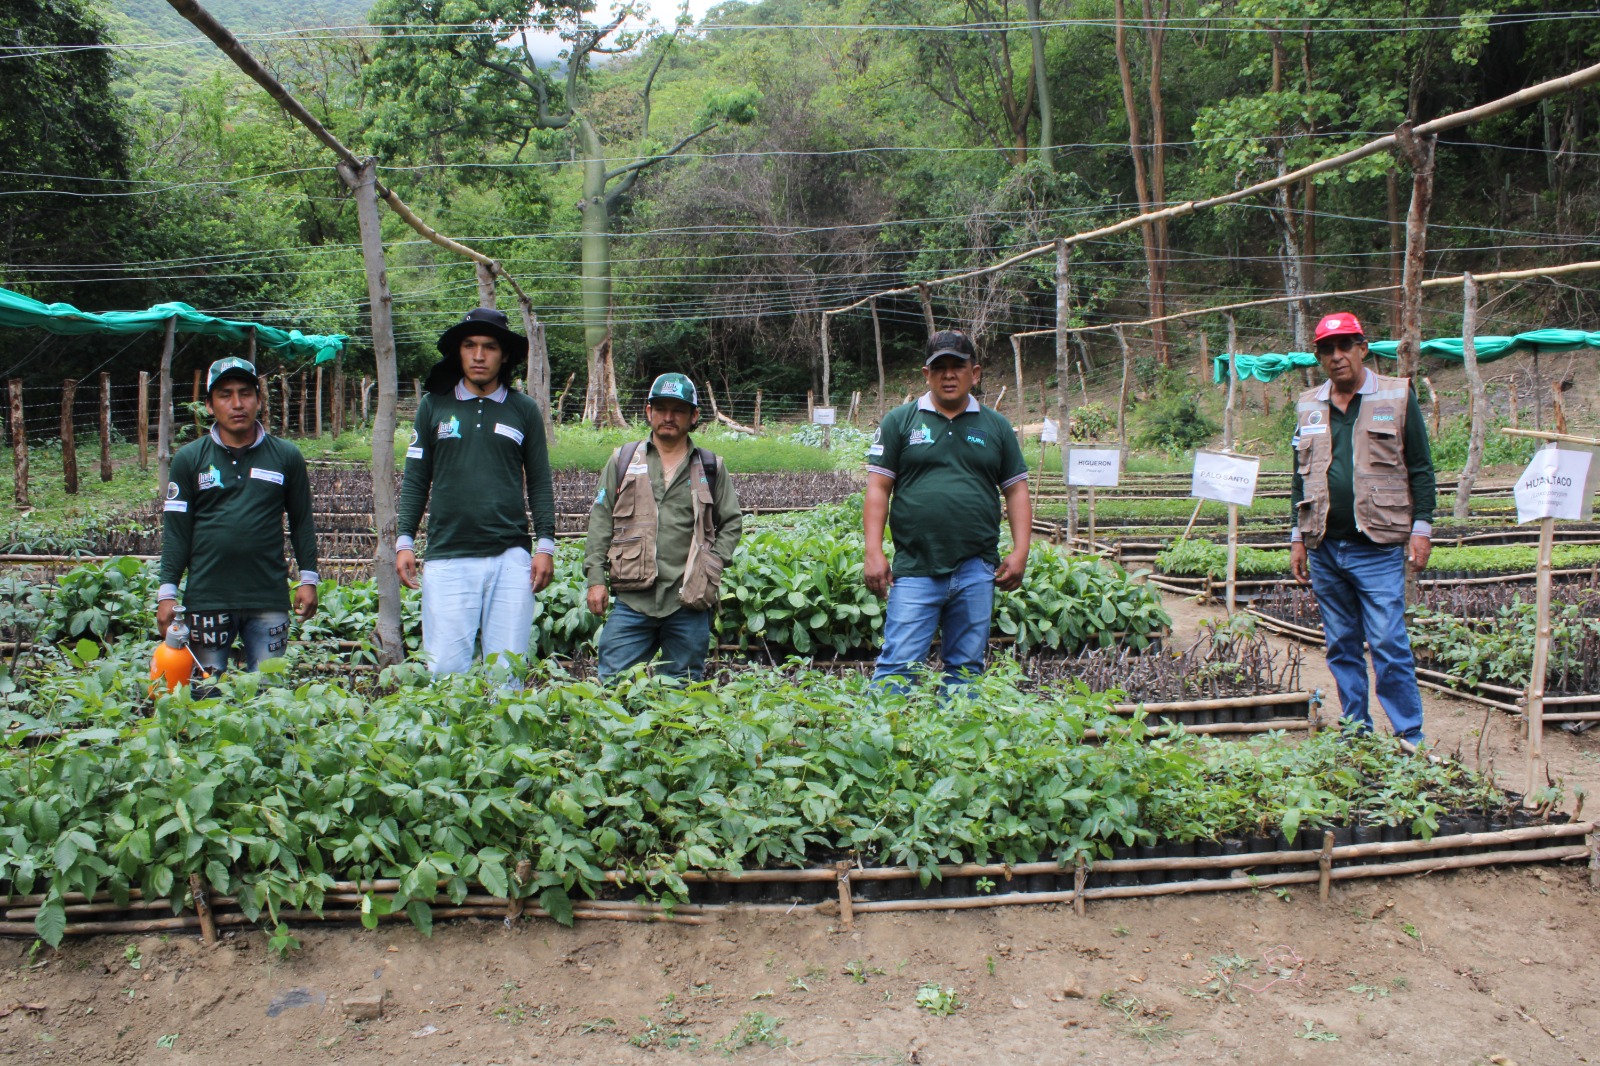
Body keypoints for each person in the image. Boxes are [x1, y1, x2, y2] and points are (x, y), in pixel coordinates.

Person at [1290, 312, 1436, 746]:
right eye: (1326, 350)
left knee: (1389, 641)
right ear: (1319, 356)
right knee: (1341, 645)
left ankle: (1409, 734)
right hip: (1324, 546)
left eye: (1344, 346)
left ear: (1362, 348)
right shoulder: (1308, 405)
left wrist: (1422, 527)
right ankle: (1356, 731)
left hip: (1377, 547)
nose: (1336, 357)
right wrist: (1297, 539)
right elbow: (1299, 477)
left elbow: (1422, 469)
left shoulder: (1396, 395)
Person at [864, 329, 1032, 688]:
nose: (949, 374)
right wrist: (873, 551)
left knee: (966, 669)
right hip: (916, 567)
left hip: (976, 567)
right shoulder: (900, 422)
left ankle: (955, 742)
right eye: (940, 367)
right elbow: (879, 488)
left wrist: (1021, 551)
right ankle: (884, 740)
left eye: (959, 365)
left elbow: (1016, 490)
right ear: (927, 374)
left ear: (976, 372)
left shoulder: (997, 427)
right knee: (897, 667)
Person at [396, 307, 556, 674]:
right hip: (448, 557)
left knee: (508, 673)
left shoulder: (523, 409)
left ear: (504, 355)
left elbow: (540, 480)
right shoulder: (434, 405)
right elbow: (416, 477)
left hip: (510, 559)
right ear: (459, 351)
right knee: (446, 671)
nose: (479, 356)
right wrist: (404, 540)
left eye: (489, 347)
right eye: (470, 346)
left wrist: (545, 544)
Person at [158, 356, 318, 674]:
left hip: (268, 598)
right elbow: (177, 531)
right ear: (208, 405)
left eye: (245, 393)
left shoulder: (286, 456)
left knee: (269, 694)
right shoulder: (189, 459)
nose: (237, 403)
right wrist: (167, 593)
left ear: (259, 400)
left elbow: (301, 520)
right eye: (225, 394)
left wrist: (309, 578)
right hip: (207, 599)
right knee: (206, 692)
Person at [584, 373, 742, 680]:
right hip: (632, 600)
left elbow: (732, 522)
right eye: (661, 408)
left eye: (678, 410)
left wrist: (712, 563)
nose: (668, 417)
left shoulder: (710, 467)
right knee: (613, 685)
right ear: (648, 412)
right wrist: (595, 578)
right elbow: (601, 518)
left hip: (688, 602)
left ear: (694, 416)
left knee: (682, 689)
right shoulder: (623, 460)